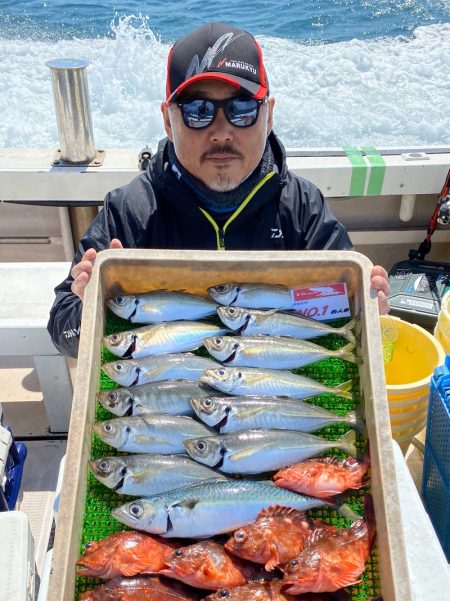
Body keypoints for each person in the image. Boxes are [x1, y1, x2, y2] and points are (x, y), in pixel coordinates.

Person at [48, 21, 390, 358]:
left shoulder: (302, 208)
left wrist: (370, 311)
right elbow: (61, 328)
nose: (222, 131)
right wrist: (87, 308)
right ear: (168, 120)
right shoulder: (130, 212)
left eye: (242, 109)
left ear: (269, 115)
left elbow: (339, 305)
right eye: (199, 111)